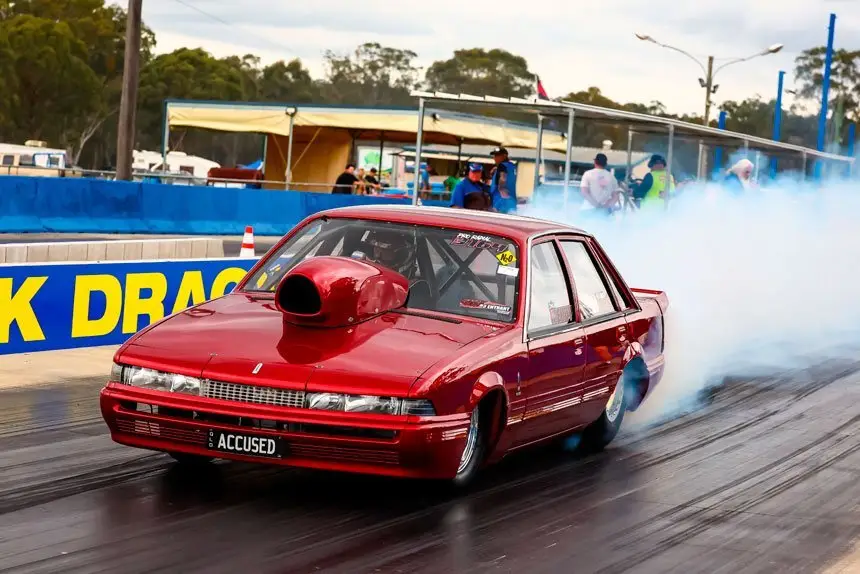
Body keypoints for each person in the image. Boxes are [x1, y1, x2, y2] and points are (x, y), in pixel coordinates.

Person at [489, 146, 517, 213]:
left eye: (498, 155)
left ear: (504, 156)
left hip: (500, 203)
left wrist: (497, 206)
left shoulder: (502, 166)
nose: (495, 158)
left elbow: (503, 180)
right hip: (511, 202)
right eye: (494, 155)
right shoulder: (512, 166)